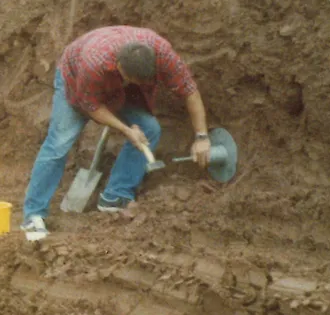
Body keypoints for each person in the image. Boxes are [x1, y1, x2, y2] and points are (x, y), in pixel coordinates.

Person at [21, 26, 212, 241]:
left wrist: (202, 137)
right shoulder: (94, 63)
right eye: (130, 79)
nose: (134, 84)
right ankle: (33, 214)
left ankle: (114, 196)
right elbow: (91, 107)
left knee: (150, 128)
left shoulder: (163, 55)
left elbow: (190, 92)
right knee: (59, 143)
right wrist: (125, 129)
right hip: (75, 80)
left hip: (116, 85)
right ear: (119, 66)